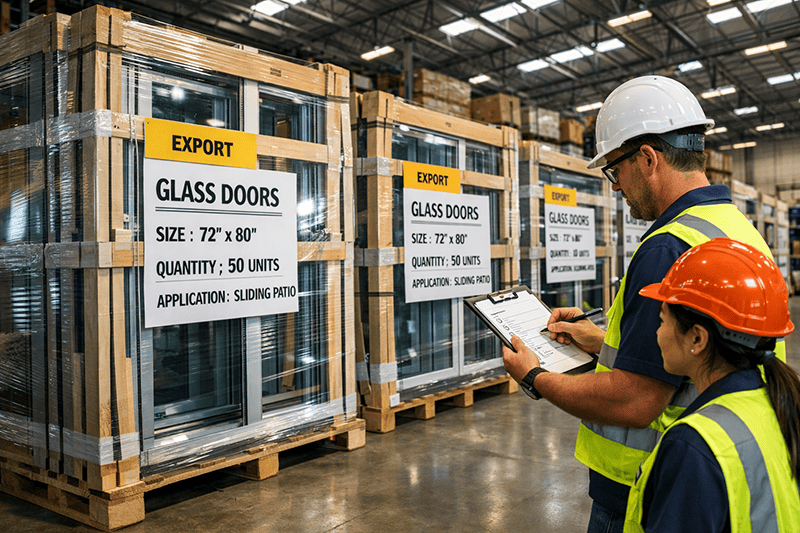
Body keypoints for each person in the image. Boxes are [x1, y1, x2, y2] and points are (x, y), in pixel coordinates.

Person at [502, 75, 787, 533]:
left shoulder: (669, 246)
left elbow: (635, 401)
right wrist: (600, 340)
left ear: (649, 158)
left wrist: (535, 376)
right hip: (732, 456)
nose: (616, 187)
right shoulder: (735, 227)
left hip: (645, 479)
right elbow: (705, 349)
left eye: (615, 171)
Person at [626, 238, 800, 532]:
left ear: (697, 338)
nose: (657, 333)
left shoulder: (693, 447)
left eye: (662, 321)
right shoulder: (778, 402)